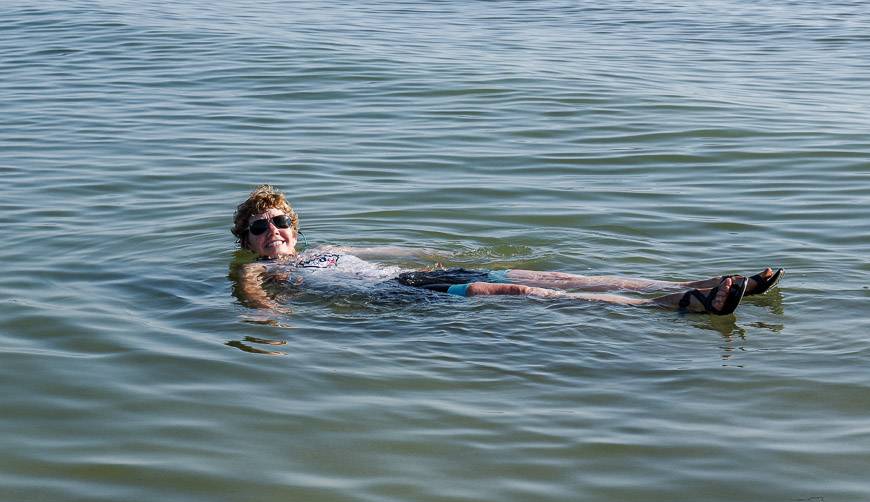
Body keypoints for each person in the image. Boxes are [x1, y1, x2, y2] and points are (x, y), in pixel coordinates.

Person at [230, 185, 783, 314]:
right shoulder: (259, 272)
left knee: (559, 276)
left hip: (414, 273)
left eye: (280, 222)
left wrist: (433, 253)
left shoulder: (326, 247)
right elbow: (255, 298)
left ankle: (703, 281)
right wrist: (270, 314)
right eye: (261, 227)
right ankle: (678, 305)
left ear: (295, 228)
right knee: (515, 289)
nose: (272, 231)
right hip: (396, 295)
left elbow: (389, 248)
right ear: (247, 240)